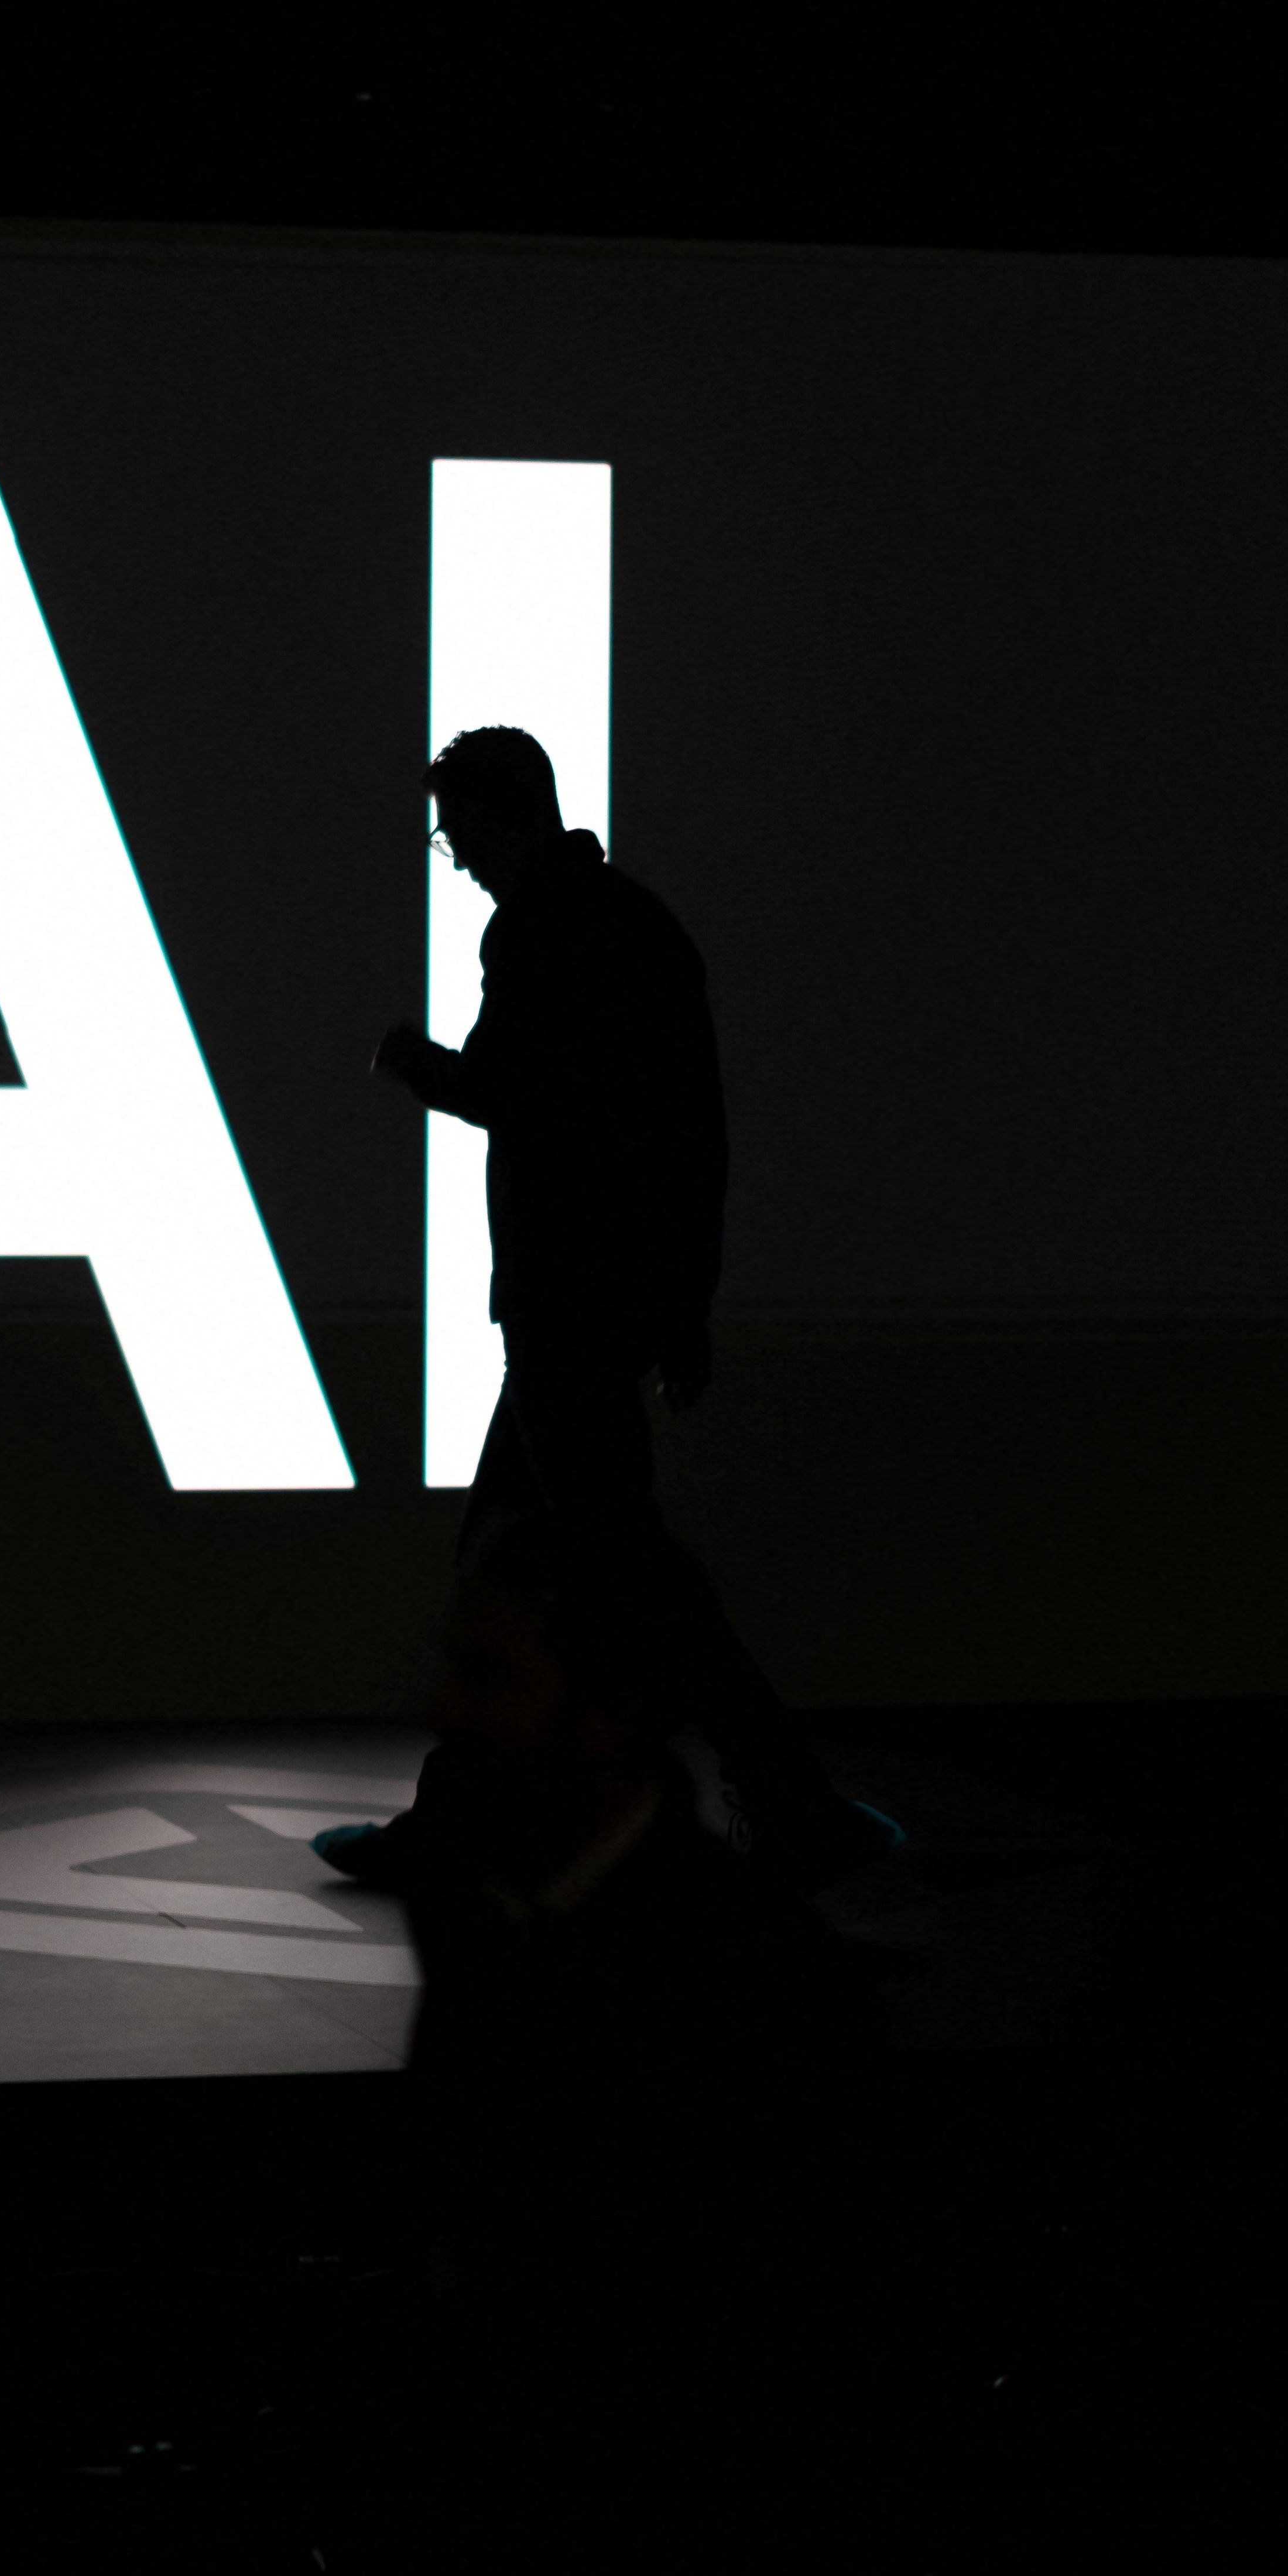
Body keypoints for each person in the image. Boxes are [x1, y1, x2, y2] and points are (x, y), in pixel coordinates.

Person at [362, 1520, 890, 2576]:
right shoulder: (488, 1914)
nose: (441, 1709)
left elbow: (820, 2377)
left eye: (490, 1678)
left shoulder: (761, 1995)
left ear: (611, 1715)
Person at [347, 726, 892, 1888]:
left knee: (606, 1570)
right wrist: (685, 1310)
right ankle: (490, 1814)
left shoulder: (535, 929)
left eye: (456, 834)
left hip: (556, 1308)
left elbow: (504, 1093)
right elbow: (698, 1138)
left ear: (500, 819)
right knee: (543, 1564)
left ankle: (776, 1799)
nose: (453, 860)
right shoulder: (646, 929)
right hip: (611, 1306)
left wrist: (408, 1062)